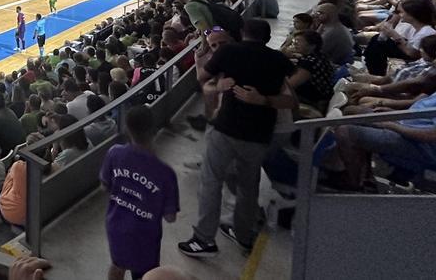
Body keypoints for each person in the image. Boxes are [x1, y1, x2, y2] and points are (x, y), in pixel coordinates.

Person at [179, 19, 293, 258]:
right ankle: (243, 234)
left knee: (211, 182)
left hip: (227, 130)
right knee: (248, 187)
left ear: (242, 33)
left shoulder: (230, 52)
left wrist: (218, 83)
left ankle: (204, 239)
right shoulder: (280, 60)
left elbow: (203, 79)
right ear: (268, 37)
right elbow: (292, 101)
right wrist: (264, 100)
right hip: (259, 135)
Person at [331, 40, 436, 189]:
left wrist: (392, 125)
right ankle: (363, 172)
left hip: (433, 152)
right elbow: (428, 112)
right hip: (413, 128)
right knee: (354, 111)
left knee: (345, 130)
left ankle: (354, 183)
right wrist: (397, 114)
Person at [101, 105, 179, 280]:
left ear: (127, 129)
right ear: (153, 129)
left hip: (116, 227)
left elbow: (105, 186)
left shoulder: (114, 153)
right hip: (146, 235)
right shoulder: (166, 173)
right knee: (145, 274)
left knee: (117, 264)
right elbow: (170, 217)